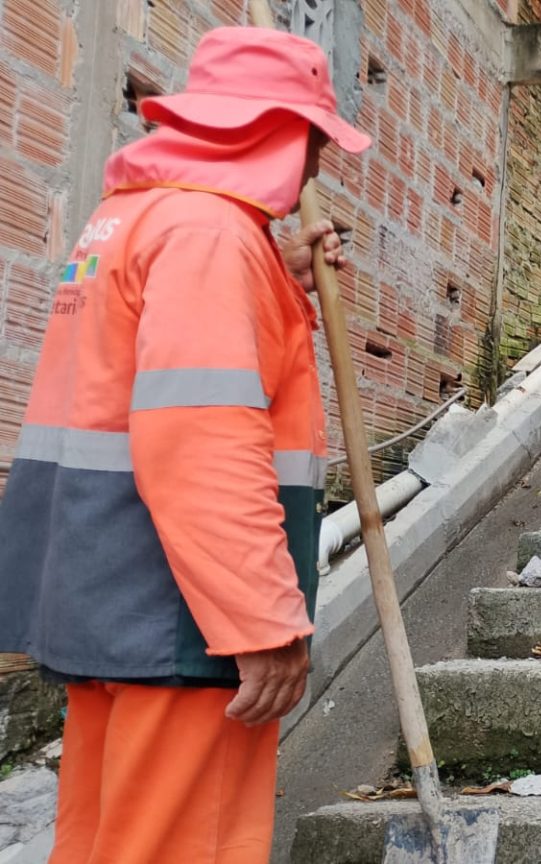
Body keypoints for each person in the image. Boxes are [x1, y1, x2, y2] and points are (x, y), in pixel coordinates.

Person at [0, 27, 369, 864]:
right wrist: (262, 620)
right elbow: (203, 441)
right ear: (275, 133)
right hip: (184, 612)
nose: (317, 164)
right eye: (313, 139)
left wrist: (275, 276)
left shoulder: (133, 217)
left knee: (103, 842)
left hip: (106, 600)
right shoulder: (210, 237)